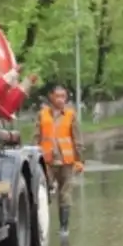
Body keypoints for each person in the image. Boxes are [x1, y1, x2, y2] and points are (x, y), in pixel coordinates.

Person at [33, 85, 84, 237]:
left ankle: (64, 228)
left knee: (65, 194)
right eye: (58, 96)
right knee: (42, 193)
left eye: (64, 96)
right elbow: (36, 136)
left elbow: (77, 138)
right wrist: (34, 156)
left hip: (66, 162)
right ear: (51, 97)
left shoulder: (70, 115)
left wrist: (80, 160)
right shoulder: (42, 115)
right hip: (47, 162)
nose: (61, 99)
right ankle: (41, 225)